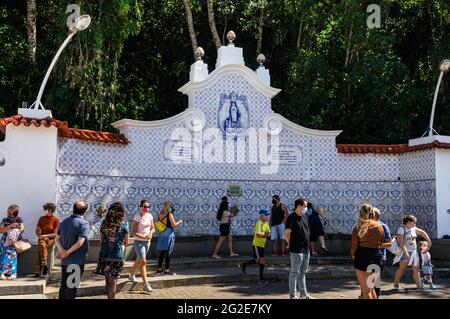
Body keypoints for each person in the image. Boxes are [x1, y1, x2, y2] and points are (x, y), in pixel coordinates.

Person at [95, 202, 130, 299]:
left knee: (107, 279)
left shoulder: (104, 223)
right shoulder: (124, 224)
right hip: (118, 256)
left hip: (105, 255)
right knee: (114, 280)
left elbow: (101, 241)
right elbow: (127, 242)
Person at [56, 201, 90, 299]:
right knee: (71, 287)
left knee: (64, 286)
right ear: (85, 211)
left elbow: (57, 239)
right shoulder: (84, 223)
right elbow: (80, 243)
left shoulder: (63, 222)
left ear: (73, 208)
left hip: (65, 261)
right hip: (76, 260)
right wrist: (67, 253)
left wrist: (62, 251)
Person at [351, 203, 384, 299]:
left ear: (360, 213)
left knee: (366, 291)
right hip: (377, 256)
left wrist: (354, 256)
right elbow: (381, 242)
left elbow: (353, 247)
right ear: (373, 213)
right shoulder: (379, 226)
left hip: (363, 257)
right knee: (371, 289)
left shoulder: (358, 227)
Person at [393, 215, 432, 291]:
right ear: (408, 222)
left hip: (414, 252)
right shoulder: (402, 229)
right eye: (414, 222)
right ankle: (396, 284)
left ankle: (419, 287)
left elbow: (422, 232)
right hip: (404, 252)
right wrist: (406, 253)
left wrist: (429, 241)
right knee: (402, 268)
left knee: (416, 269)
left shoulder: (413, 228)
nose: (415, 224)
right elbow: (400, 242)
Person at [285, 198, 314, 299]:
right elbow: (287, 234)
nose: (306, 208)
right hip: (296, 250)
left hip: (306, 250)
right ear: (299, 206)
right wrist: (290, 244)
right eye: (305, 206)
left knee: (303, 273)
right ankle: (293, 295)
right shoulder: (291, 218)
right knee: (294, 272)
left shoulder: (305, 217)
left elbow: (307, 232)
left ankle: (303, 294)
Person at [237, 209, 271, 285]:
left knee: (257, 261)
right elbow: (258, 234)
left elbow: (269, 234)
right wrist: (265, 234)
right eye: (266, 215)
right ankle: (261, 279)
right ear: (262, 216)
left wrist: (264, 234)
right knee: (262, 261)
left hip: (262, 244)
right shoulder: (259, 223)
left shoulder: (266, 223)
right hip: (257, 244)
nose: (267, 216)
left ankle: (243, 265)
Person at [128, 199, 154, 293]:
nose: (146, 208)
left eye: (148, 207)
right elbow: (134, 231)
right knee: (143, 262)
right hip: (139, 242)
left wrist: (150, 233)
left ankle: (131, 275)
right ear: (140, 207)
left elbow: (153, 228)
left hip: (148, 242)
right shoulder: (137, 217)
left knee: (139, 259)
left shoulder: (150, 216)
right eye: (144, 206)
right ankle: (146, 285)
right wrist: (142, 236)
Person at [33, 203, 60, 278]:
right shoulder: (41, 218)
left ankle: (38, 270)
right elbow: (37, 231)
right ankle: (45, 266)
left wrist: (45, 236)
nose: (44, 211)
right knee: (42, 245)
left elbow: (55, 234)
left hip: (51, 239)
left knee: (42, 246)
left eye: (46, 209)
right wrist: (40, 236)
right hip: (42, 239)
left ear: (50, 210)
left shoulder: (55, 220)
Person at [156, 201, 183, 276]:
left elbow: (159, 224)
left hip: (162, 234)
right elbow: (174, 225)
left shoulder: (160, 214)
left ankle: (159, 269)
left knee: (162, 252)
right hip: (168, 234)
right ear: (170, 207)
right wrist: (180, 222)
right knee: (168, 252)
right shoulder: (169, 214)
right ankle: (167, 270)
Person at [0, 205, 24, 280]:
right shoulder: (5, 220)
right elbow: (1, 230)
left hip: (14, 241)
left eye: (17, 211)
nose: (16, 212)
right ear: (10, 211)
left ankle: (13, 273)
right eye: (15, 211)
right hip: (5, 241)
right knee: (3, 256)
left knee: (13, 256)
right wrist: (10, 226)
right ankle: (1, 273)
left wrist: (18, 231)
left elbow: (22, 228)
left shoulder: (19, 219)